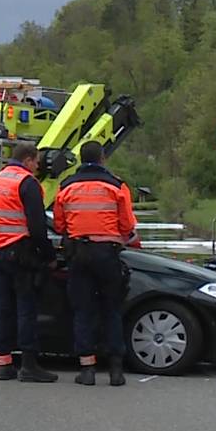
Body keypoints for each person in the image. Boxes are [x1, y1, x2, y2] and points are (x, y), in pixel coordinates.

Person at [0, 142, 58, 382]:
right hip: (21, 254)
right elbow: (38, 227)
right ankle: (29, 366)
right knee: (26, 309)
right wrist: (49, 256)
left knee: (1, 310)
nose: (38, 166)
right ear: (28, 160)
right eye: (37, 162)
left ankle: (4, 365)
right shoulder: (27, 183)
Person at [53, 140, 136, 387]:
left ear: (80, 159)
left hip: (79, 253)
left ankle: (87, 370)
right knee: (111, 309)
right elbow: (128, 225)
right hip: (107, 253)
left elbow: (59, 225)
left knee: (83, 311)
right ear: (102, 159)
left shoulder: (66, 186)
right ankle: (116, 370)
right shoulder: (117, 186)